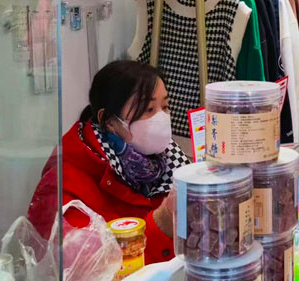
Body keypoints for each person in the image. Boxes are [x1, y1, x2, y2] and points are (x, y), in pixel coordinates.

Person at [27, 60, 191, 265]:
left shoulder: (169, 163)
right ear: (110, 122)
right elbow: (90, 271)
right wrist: (161, 224)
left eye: (165, 107)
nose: (161, 118)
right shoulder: (64, 184)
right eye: (148, 109)